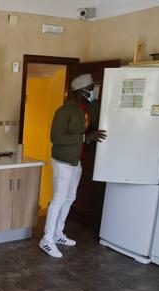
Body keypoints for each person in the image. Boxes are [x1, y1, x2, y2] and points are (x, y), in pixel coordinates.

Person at [39, 73, 107, 258]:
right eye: (91, 88)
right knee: (59, 197)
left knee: (70, 197)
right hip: (63, 160)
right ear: (81, 91)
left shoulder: (87, 108)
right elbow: (56, 137)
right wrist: (85, 138)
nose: (93, 91)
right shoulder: (65, 110)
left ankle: (58, 233)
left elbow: (100, 115)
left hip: (76, 161)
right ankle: (47, 239)